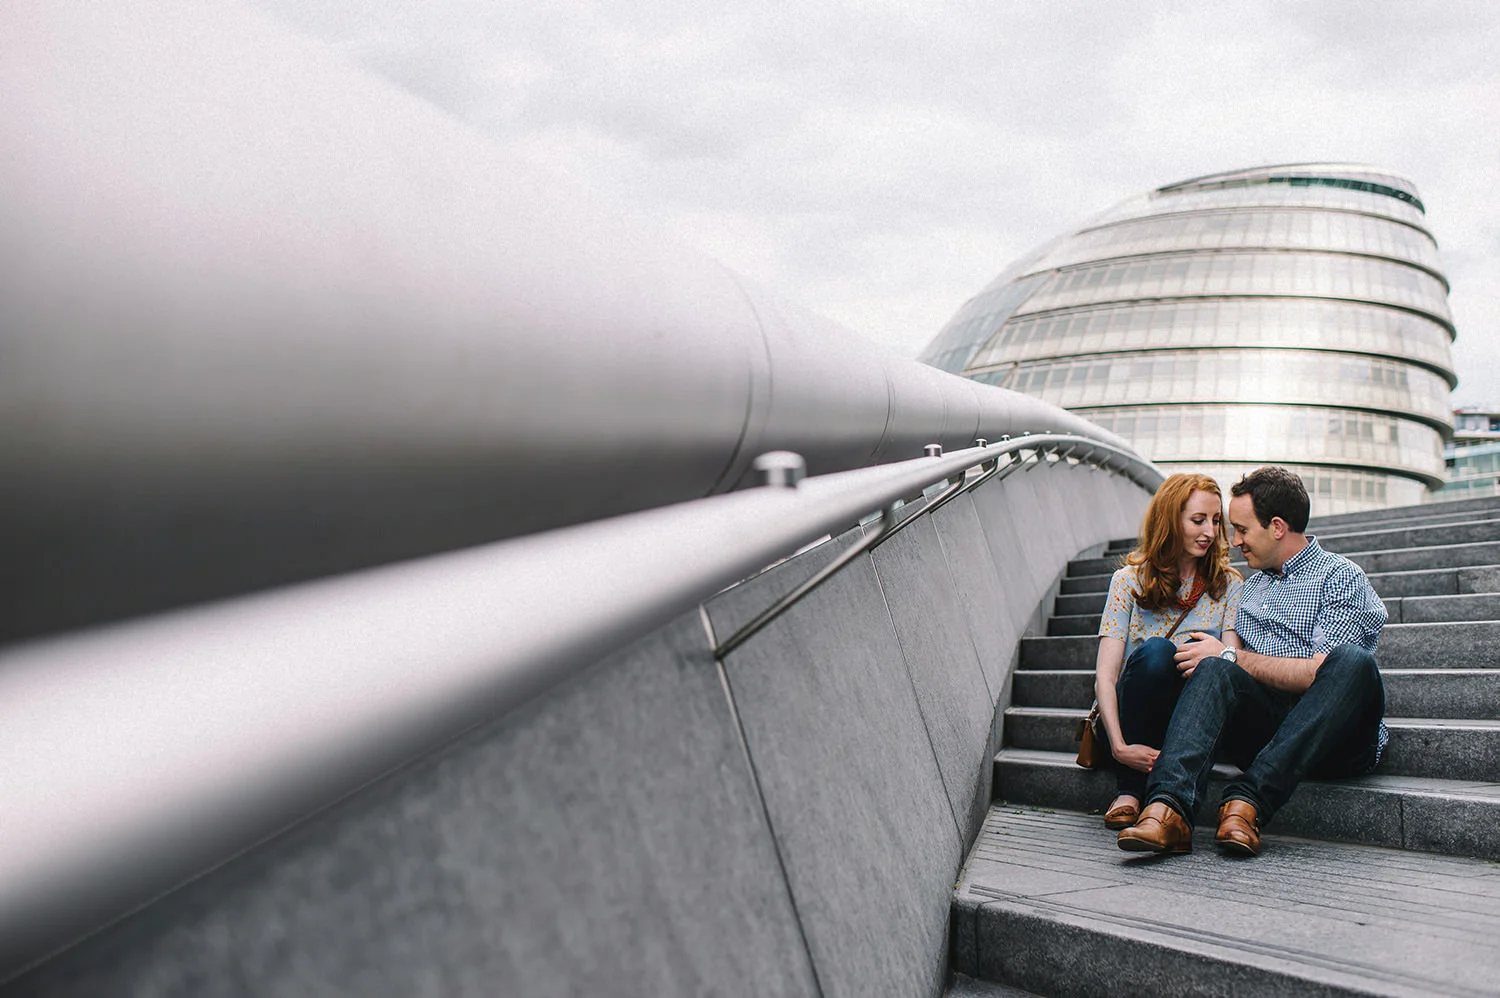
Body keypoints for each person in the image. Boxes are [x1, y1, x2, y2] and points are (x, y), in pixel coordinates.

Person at [1117, 466, 1389, 857]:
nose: (1235, 541)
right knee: (1214, 666)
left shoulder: (1341, 577)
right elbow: (1228, 673)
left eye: (1242, 530)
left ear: (1277, 527)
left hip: (1337, 739)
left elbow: (1319, 674)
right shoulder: (1250, 588)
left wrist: (1232, 656)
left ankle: (1248, 804)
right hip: (1266, 732)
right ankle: (1168, 808)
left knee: (1352, 661)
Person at [1094, 473, 1242, 830]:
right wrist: (1118, 747)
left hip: (1190, 723)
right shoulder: (1128, 581)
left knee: (1198, 658)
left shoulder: (1229, 585)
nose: (1210, 531)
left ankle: (1166, 791)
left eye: (1215, 520)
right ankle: (1129, 790)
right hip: (1130, 719)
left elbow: (1231, 664)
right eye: (1198, 520)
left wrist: (1214, 653)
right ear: (1170, 521)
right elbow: (1106, 677)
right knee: (1157, 652)